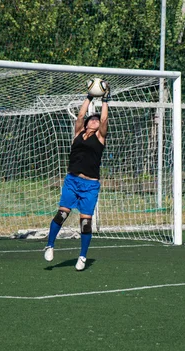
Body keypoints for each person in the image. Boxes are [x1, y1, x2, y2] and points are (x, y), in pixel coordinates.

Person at [44, 81, 111, 271]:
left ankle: (82, 256)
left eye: (97, 120)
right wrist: (89, 96)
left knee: (85, 223)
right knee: (62, 213)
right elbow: (81, 115)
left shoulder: (100, 137)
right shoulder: (78, 133)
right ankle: (49, 245)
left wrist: (105, 100)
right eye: (93, 119)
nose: (95, 121)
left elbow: (105, 121)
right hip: (72, 180)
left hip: (90, 185)